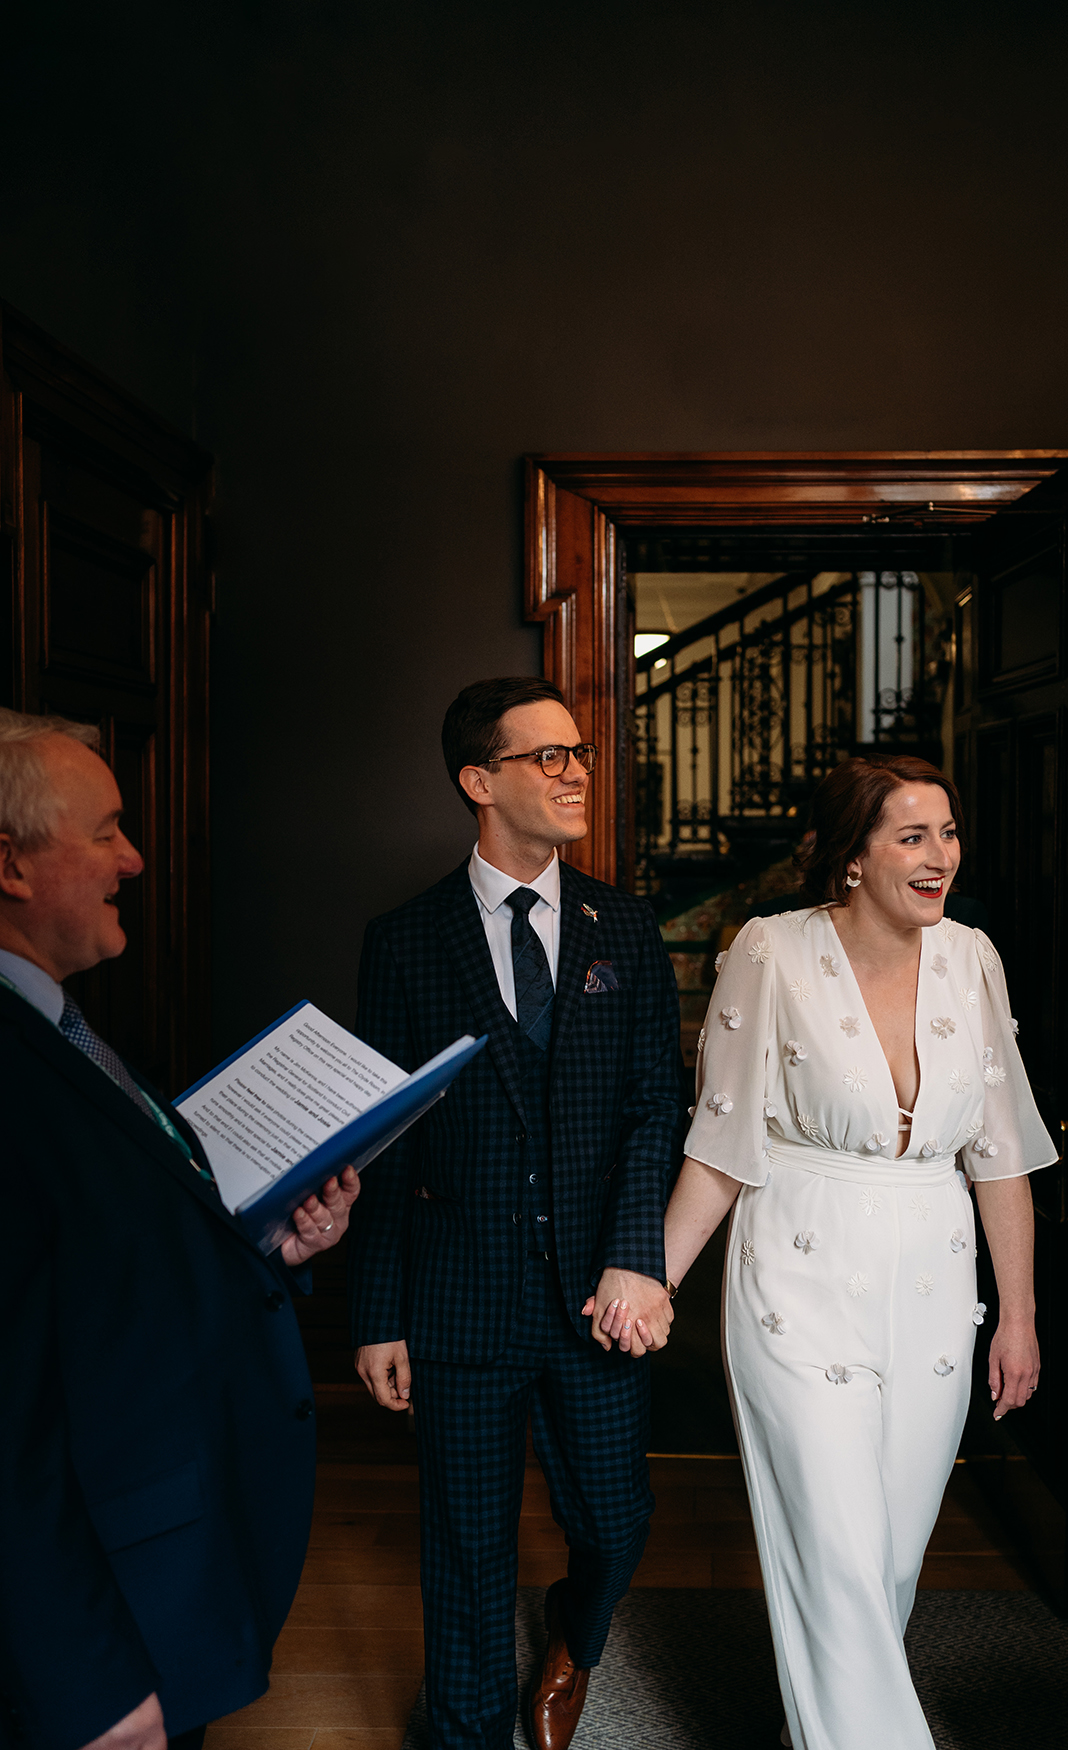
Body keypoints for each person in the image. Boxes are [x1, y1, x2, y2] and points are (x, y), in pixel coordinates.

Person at [662, 754, 1056, 1750]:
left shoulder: (973, 958)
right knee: (835, 1553)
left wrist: (1018, 1316)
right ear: (851, 856)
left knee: (882, 1564)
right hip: (799, 1267)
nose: (940, 857)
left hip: (934, 1276)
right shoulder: (771, 949)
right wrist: (652, 1279)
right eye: (912, 836)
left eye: (949, 833)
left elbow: (1001, 1156)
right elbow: (720, 1141)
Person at [0, 708, 360, 1750]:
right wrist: (89, 1683)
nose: (137, 857)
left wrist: (270, 1245)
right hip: (93, 1639)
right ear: (11, 865)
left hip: (155, 1576)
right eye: (105, 830)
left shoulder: (57, 1026)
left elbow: (101, 1271)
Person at [348, 676, 683, 1750]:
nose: (576, 768)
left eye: (576, 750)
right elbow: (384, 1139)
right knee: (467, 1547)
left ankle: (574, 1640)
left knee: (616, 1521)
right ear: (477, 780)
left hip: (599, 1295)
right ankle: (464, 1733)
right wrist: (377, 1310)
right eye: (546, 756)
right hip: (457, 1300)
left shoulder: (625, 928)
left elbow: (652, 1109)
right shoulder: (403, 941)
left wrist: (641, 1258)